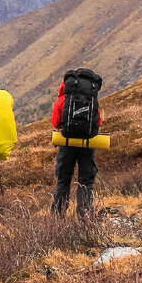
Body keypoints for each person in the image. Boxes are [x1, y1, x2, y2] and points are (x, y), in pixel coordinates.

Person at [51, 70, 104, 218]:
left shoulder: (63, 99)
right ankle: (85, 217)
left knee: (63, 180)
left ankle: (58, 217)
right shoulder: (92, 99)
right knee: (86, 182)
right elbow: (98, 122)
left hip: (67, 144)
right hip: (87, 144)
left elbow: (55, 122)